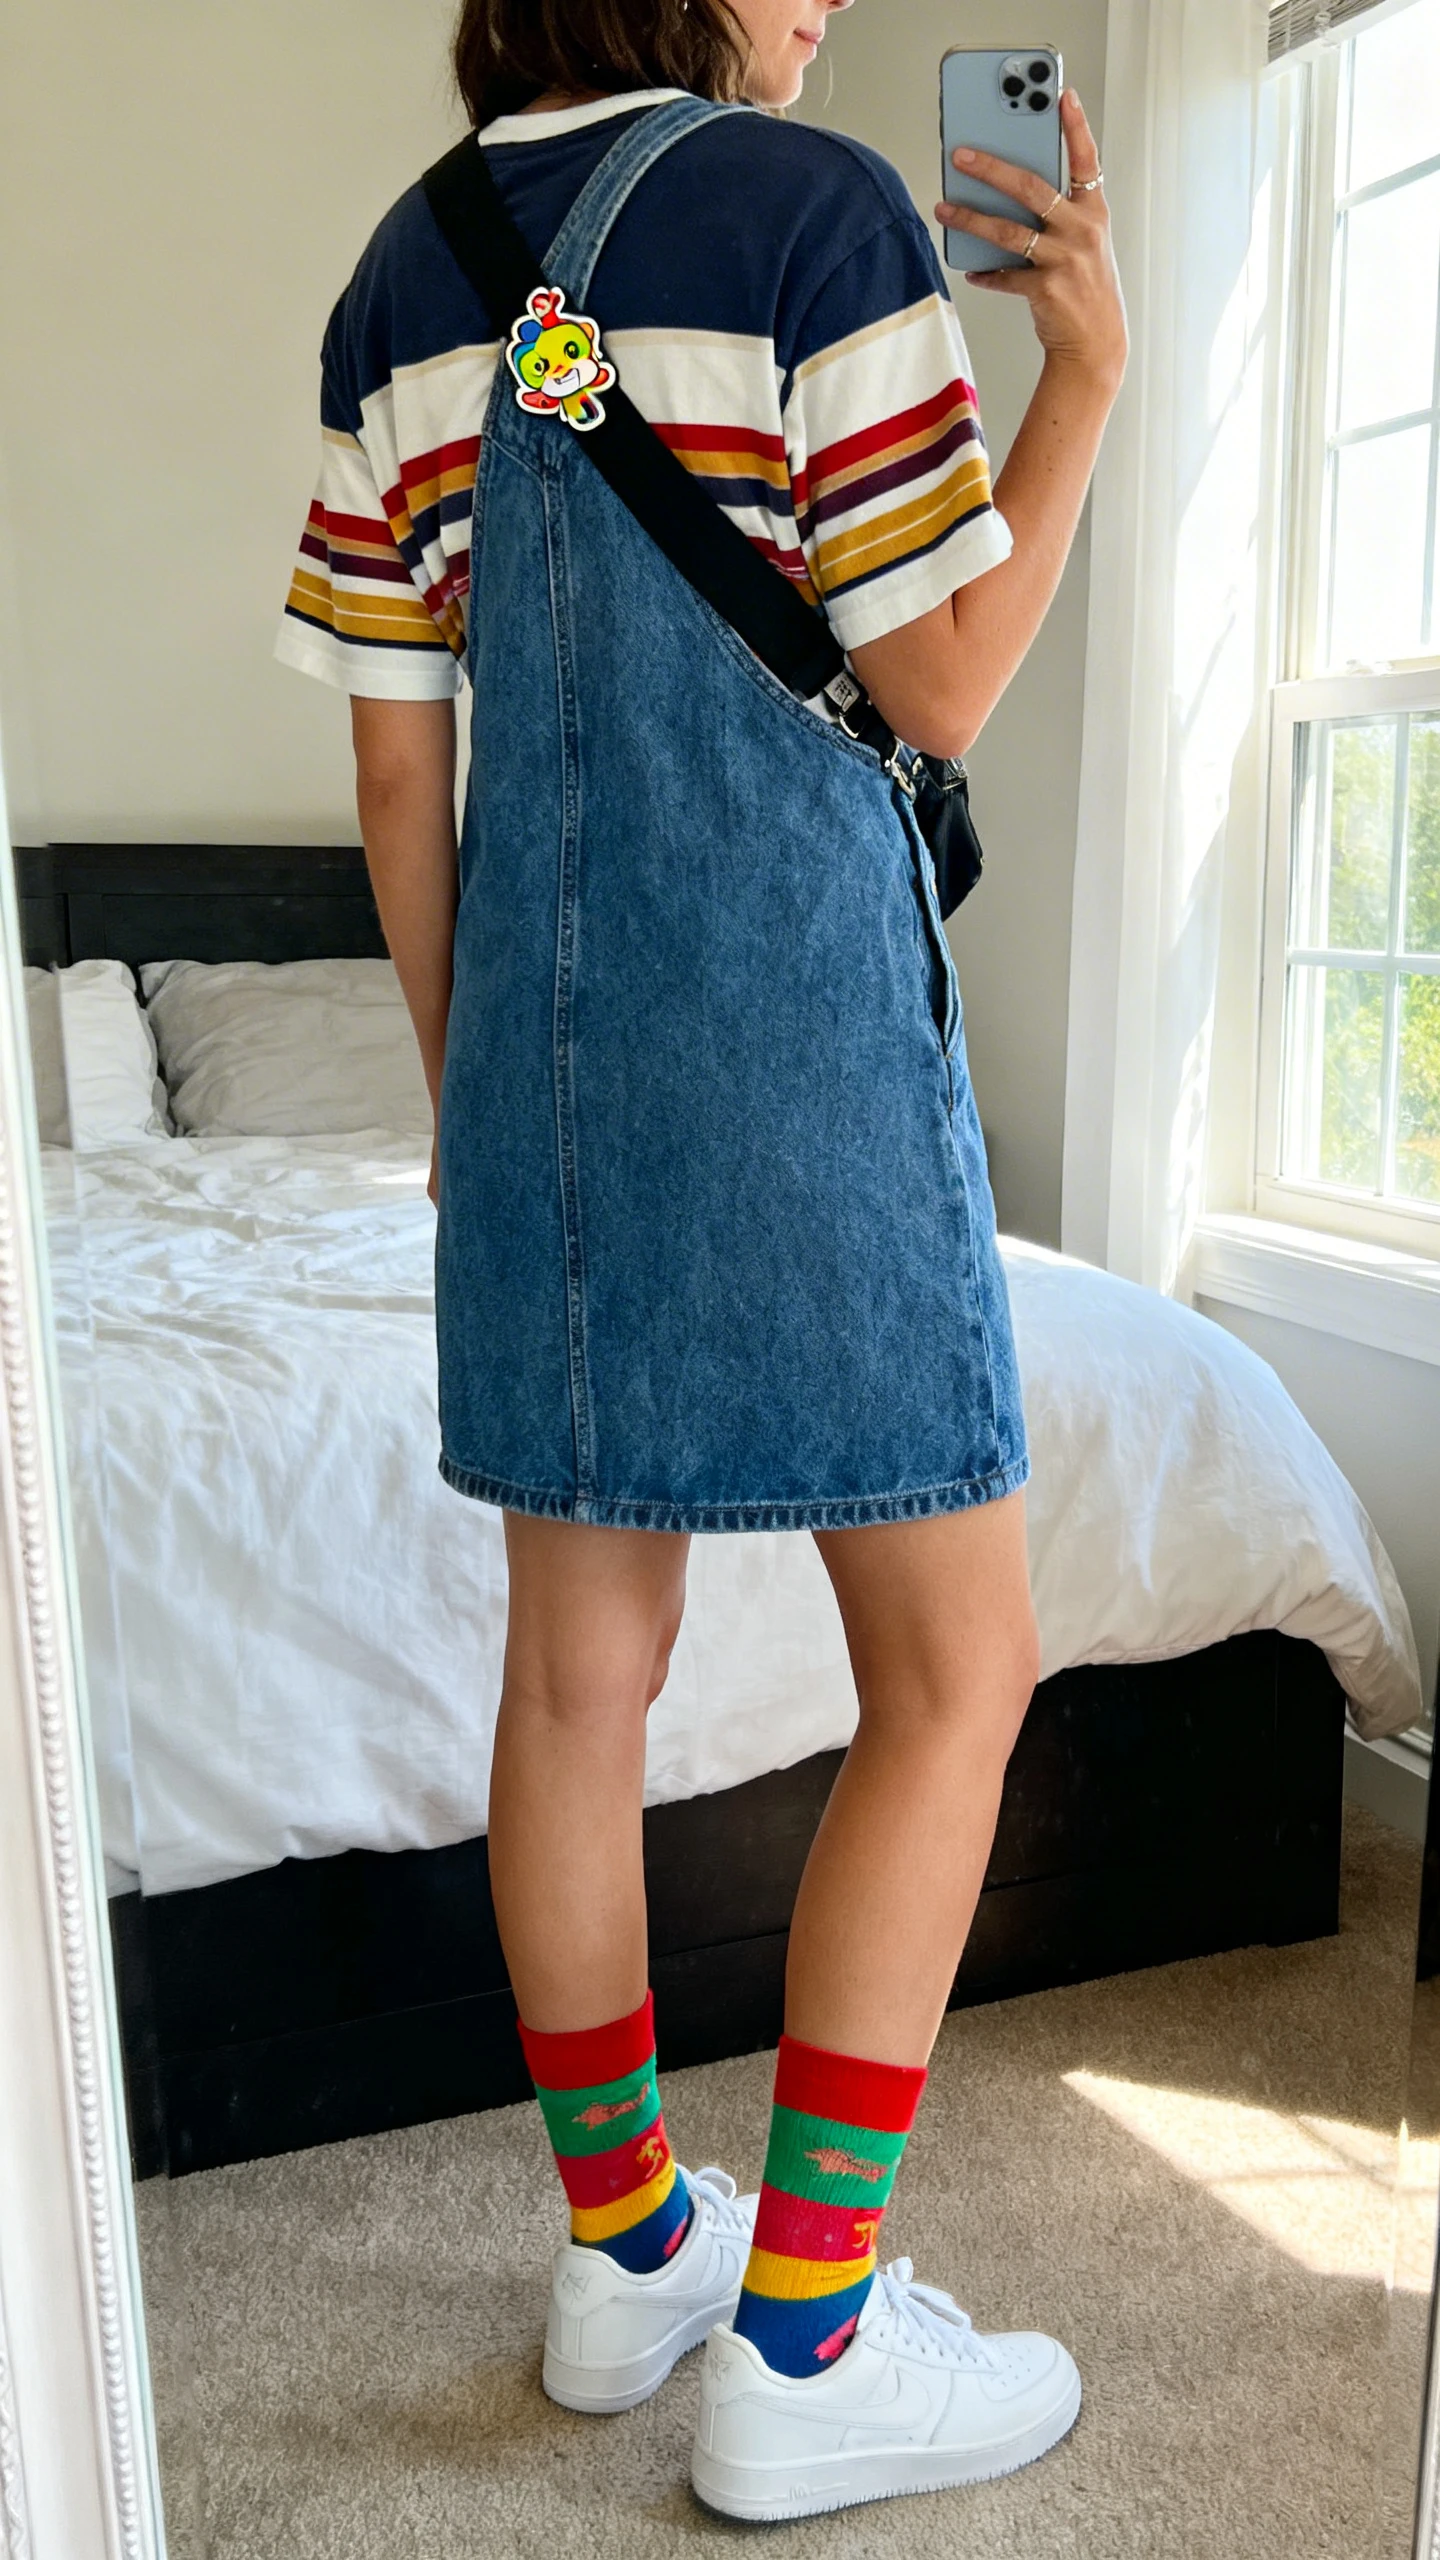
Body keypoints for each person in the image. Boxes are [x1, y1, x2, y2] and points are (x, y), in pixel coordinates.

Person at [277, 0, 1126, 2523]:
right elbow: (941, 681)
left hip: (535, 1083)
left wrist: (479, 1098)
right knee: (959, 1669)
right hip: (798, 1057)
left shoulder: (399, 276)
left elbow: (396, 768)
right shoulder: (809, 208)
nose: (830, 3)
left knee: (574, 1674)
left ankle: (630, 2243)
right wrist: (1084, 376)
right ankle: (811, 2338)